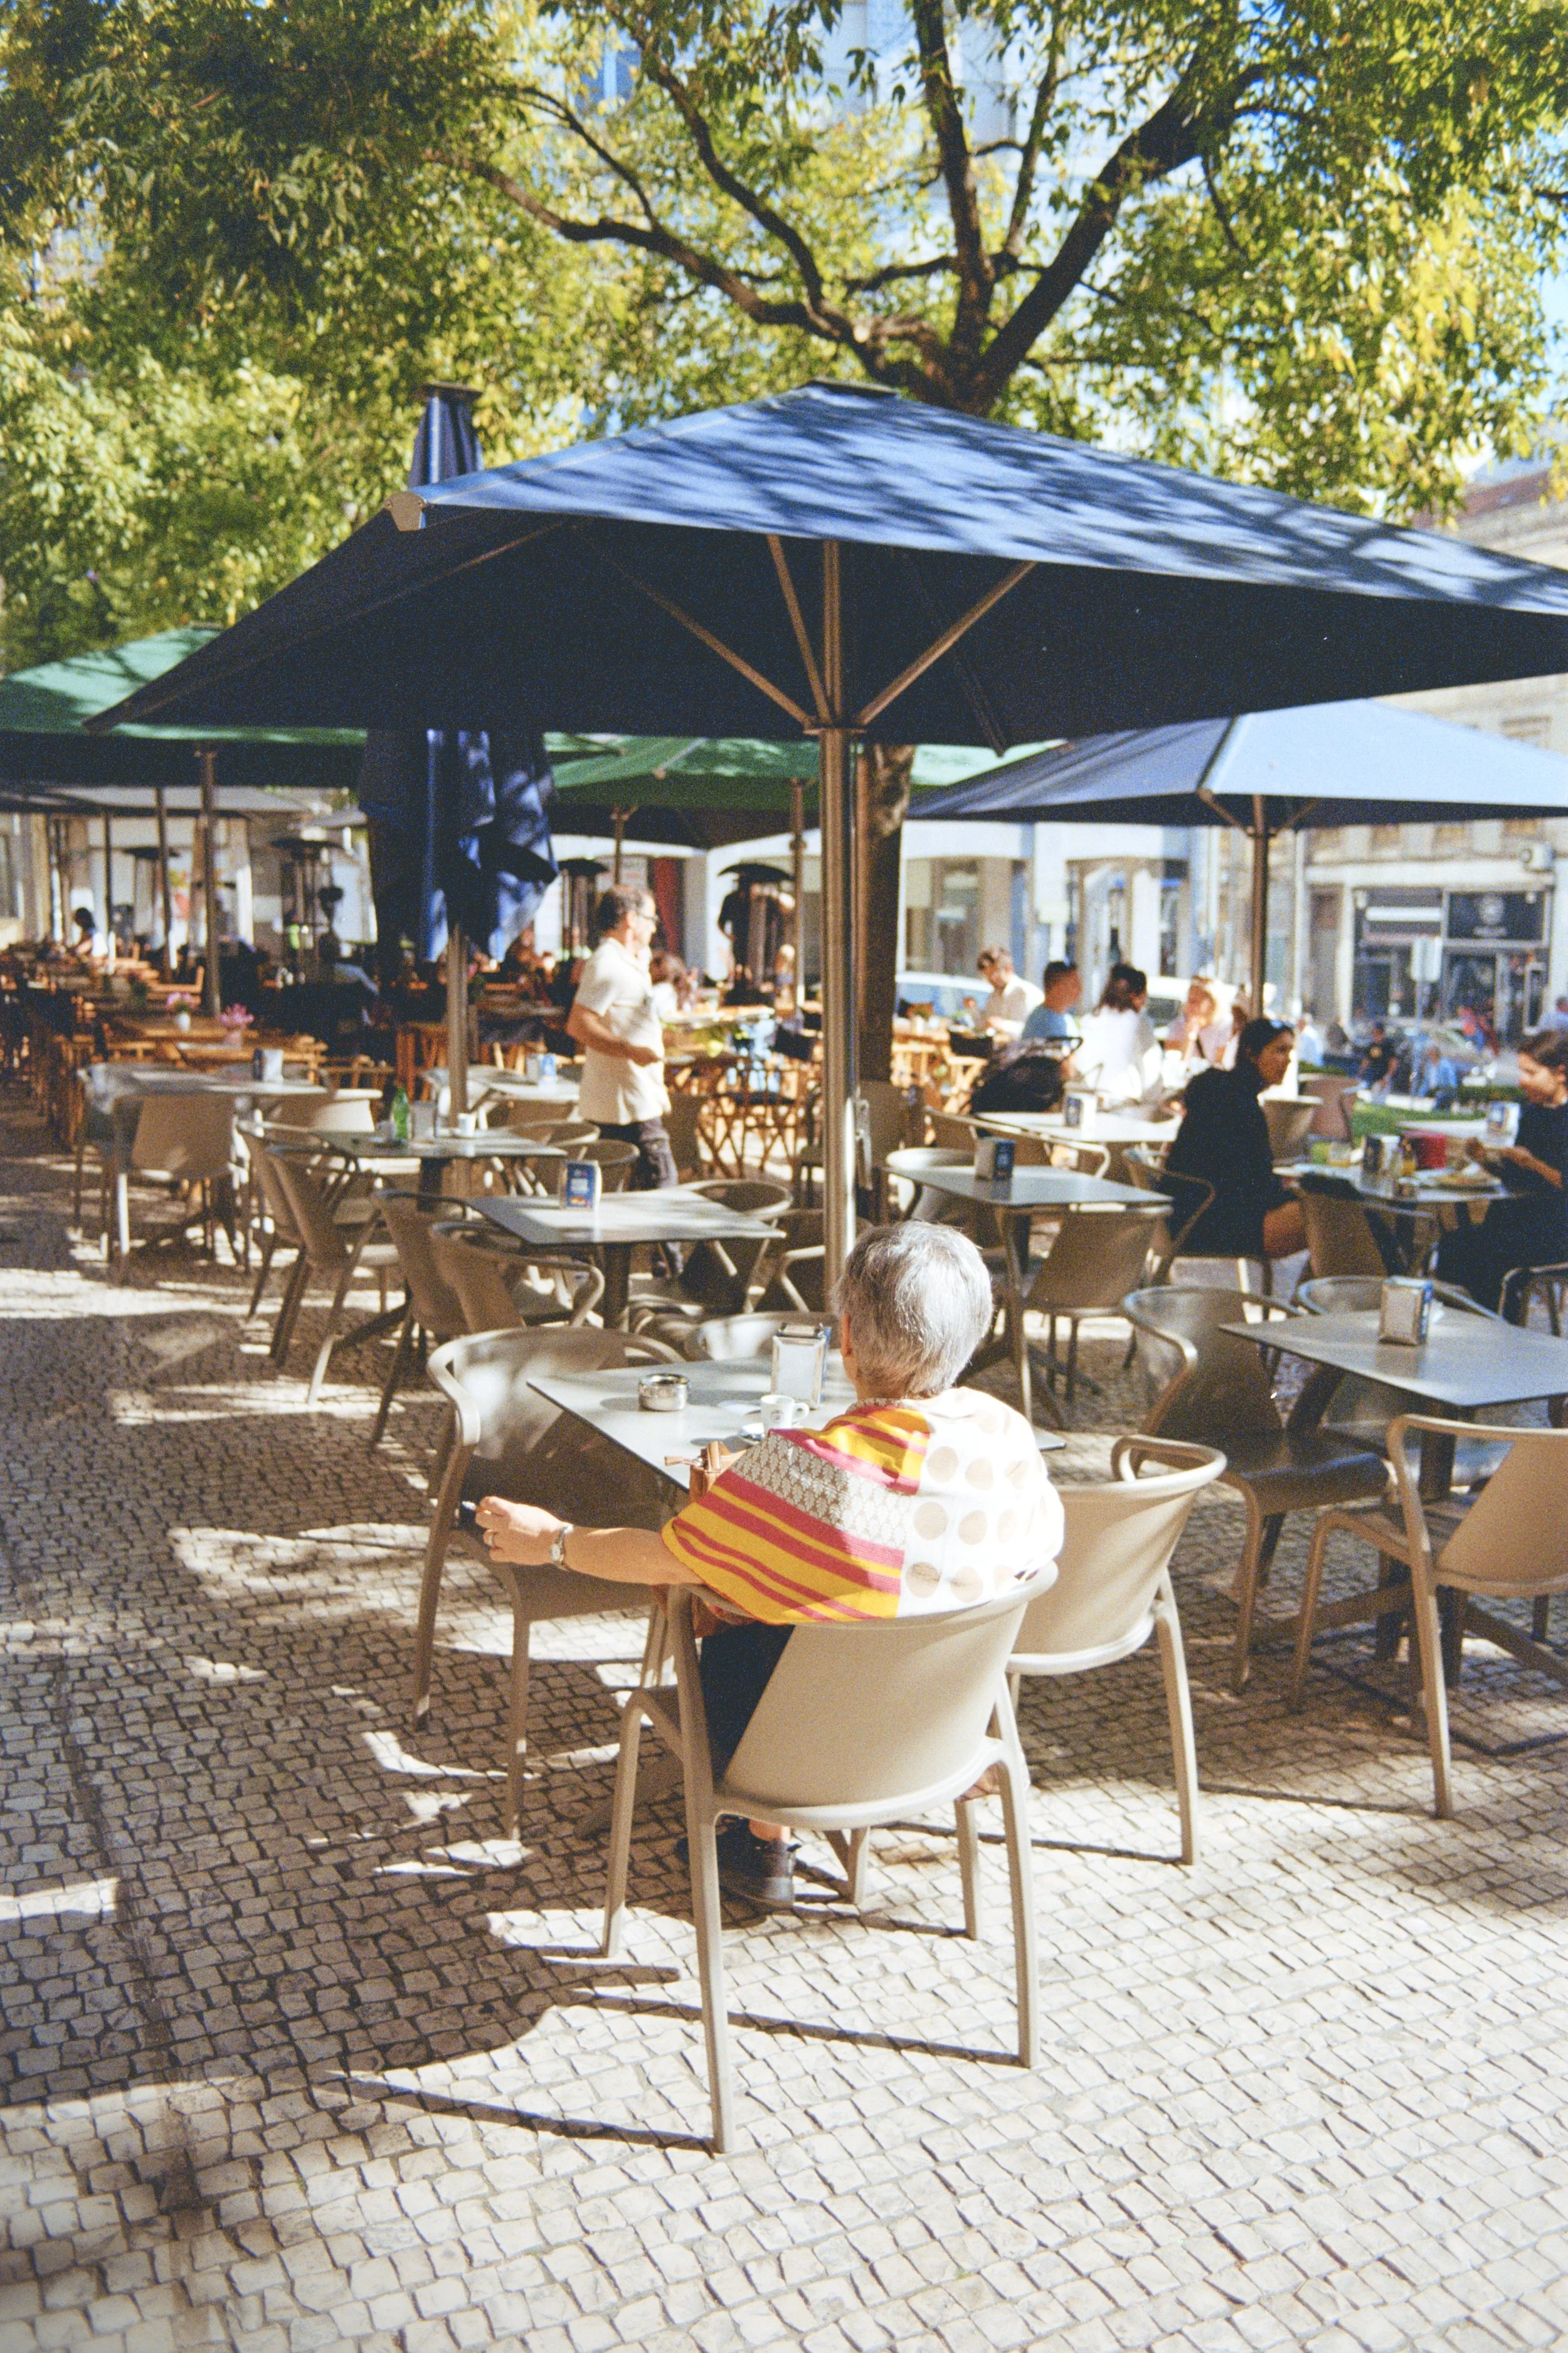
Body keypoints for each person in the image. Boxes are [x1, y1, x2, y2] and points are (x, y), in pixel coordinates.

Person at [475, 1223, 1063, 1908]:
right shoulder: (1006, 1436)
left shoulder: (802, 1469)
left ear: (845, 1338)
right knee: (785, 1592)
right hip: (942, 1736)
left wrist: (552, 1538)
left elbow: (664, 1559)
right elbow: (1031, 1551)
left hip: (804, 1752)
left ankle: (764, 1837)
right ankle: (764, 1840)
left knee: (730, 1610)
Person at [1438, 1031, 1568, 1313]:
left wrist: (1534, 1163)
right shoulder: (1533, 1113)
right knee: (1453, 1245)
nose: (1522, 1080)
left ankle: (1498, 1330)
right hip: (1518, 1223)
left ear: (1560, 1073)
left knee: (1486, 1256)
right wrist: (1486, 1160)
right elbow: (1518, 1176)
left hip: (1555, 1232)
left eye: (1531, 1073)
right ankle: (1465, 1324)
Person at [1162, 1017, 1308, 1262]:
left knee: (1325, 1215)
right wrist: (1291, 1191)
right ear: (1252, 1054)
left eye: (1290, 1051)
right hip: (1213, 1226)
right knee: (1326, 1217)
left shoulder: (1219, 1090)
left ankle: (1308, 1293)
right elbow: (1254, 1187)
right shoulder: (1241, 1107)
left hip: (1184, 1214)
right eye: (1280, 1050)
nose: (1288, 1060)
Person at [566, 883, 679, 1198]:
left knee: (624, 1196)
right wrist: (629, 1051)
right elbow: (579, 1024)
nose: (655, 927)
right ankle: (667, 1250)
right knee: (664, 1193)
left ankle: (619, 1249)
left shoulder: (630, 960)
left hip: (630, 1099)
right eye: (651, 918)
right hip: (626, 1102)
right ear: (631, 919)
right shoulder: (608, 964)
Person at [1074, 963, 1162, 1104]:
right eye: (1144, 997)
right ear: (1135, 996)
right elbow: (1150, 1072)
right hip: (1124, 1101)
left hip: (1089, 1098)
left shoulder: (1089, 1019)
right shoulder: (1140, 1024)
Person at [1020, 959, 1083, 1065]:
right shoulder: (1043, 1022)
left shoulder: (1064, 1018)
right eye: (1074, 985)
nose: (1080, 990)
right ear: (1057, 988)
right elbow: (1065, 1069)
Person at [1165, 978, 1229, 1071]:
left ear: (1212, 1003)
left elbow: (1220, 1065)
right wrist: (1190, 1037)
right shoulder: (1177, 1025)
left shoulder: (1223, 1027)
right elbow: (1176, 1066)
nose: (1191, 1005)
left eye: (1197, 1001)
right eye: (1190, 999)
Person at [975, 948, 1042, 1036]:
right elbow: (985, 1026)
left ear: (1008, 969)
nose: (991, 980)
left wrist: (1003, 1025)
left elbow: (1037, 1030)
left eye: (993, 974)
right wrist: (973, 1010)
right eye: (987, 976)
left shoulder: (1027, 993)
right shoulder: (994, 996)